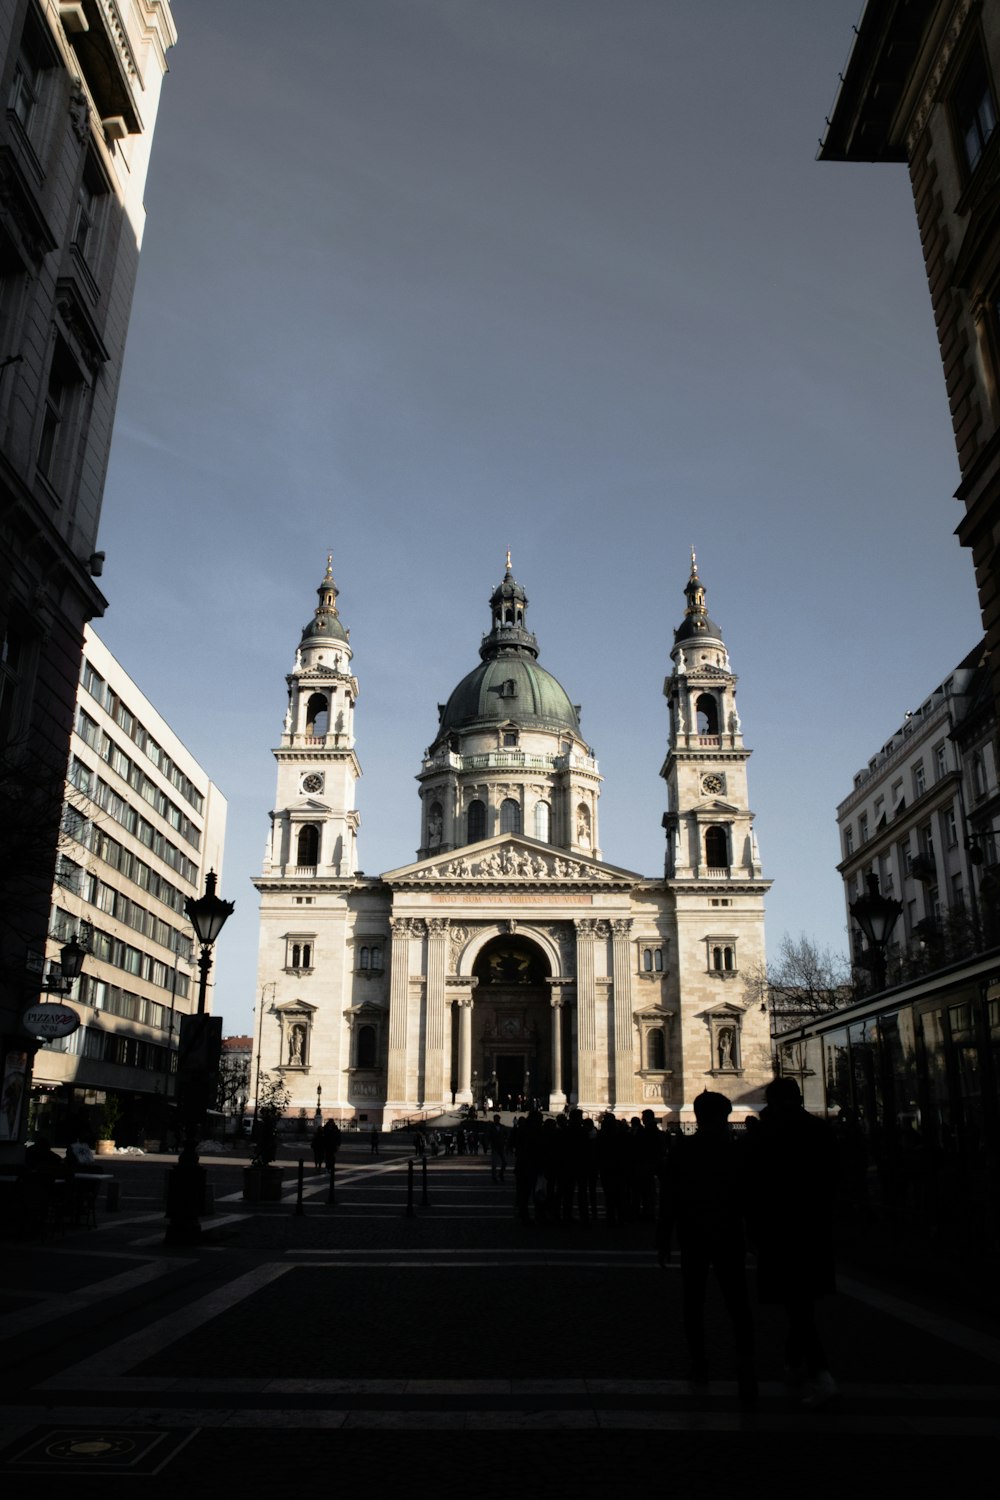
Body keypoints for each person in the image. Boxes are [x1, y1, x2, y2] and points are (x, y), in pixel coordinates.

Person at [746, 1076, 838, 1407]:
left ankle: (821, 1373)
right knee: (801, 1301)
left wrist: (752, 1229)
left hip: (780, 1229)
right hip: (813, 1228)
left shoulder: (766, 1134)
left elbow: (754, 1186)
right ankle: (793, 1363)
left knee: (796, 1303)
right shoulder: (820, 1131)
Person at [658, 1091, 756, 1403]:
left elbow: (669, 1197)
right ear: (725, 1116)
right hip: (728, 1235)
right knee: (738, 1303)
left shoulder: (684, 1150)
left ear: (698, 1117)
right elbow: (750, 1198)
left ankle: (699, 1362)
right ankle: (746, 1368)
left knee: (693, 1302)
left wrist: (663, 1237)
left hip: (693, 1235)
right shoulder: (736, 1151)